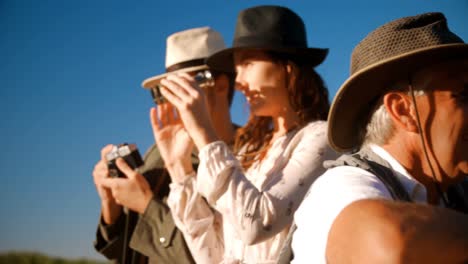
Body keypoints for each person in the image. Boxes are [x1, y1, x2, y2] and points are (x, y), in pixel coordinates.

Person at [152, 5, 337, 264]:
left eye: (248, 63)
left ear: (287, 67)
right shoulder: (251, 148)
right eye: (236, 70)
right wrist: (177, 166)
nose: (238, 82)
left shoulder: (320, 138)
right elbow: (214, 257)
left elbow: (257, 225)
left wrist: (204, 133)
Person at [292, 12, 468, 263]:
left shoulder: (454, 194)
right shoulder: (342, 186)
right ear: (403, 110)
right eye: (464, 93)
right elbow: (387, 241)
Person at [92, 27, 237, 264]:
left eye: (181, 89)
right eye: (164, 91)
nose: (171, 101)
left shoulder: (249, 156)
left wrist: (146, 205)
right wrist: (112, 204)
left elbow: (216, 255)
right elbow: (120, 252)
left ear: (220, 85)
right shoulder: (156, 154)